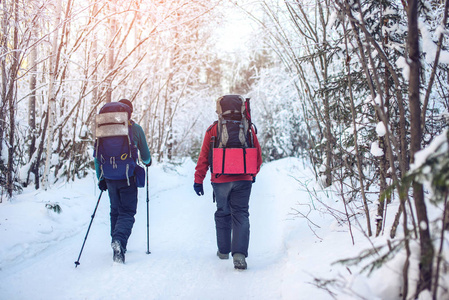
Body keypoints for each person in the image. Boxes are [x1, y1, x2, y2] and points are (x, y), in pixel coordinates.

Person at [193, 96, 262, 270]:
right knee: (240, 214)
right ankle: (239, 254)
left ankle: (223, 251)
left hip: (220, 179)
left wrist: (198, 180)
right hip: (243, 178)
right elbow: (258, 156)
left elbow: (203, 157)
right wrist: (251, 173)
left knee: (223, 212)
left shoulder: (213, 129)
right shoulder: (248, 128)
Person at [95, 99, 151, 263]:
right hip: (128, 177)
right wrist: (147, 163)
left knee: (115, 211)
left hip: (110, 177)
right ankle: (119, 241)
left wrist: (101, 177)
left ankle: (116, 244)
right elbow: (145, 157)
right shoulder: (135, 128)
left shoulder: (104, 129)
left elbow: (97, 156)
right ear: (129, 113)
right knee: (127, 212)